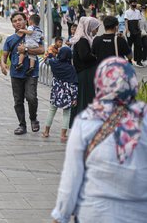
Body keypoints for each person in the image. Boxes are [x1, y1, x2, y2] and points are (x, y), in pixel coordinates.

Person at [51, 57, 147, 223]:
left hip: (93, 213)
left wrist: (61, 215)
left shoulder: (85, 122)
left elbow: (72, 177)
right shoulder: (143, 119)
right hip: (137, 214)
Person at [0, 12, 45, 135]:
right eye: (15, 21)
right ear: (12, 24)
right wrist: (3, 64)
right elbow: (4, 56)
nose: (18, 22)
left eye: (20, 20)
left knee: (31, 97)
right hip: (16, 73)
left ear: (26, 21)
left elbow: (42, 50)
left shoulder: (34, 34)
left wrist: (25, 49)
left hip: (31, 72)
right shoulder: (10, 39)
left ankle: (33, 119)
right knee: (18, 100)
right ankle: (22, 125)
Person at [69, 17, 100, 128]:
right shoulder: (82, 40)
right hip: (85, 73)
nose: (97, 30)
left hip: (84, 72)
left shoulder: (83, 39)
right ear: (89, 27)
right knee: (84, 99)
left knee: (84, 98)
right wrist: (96, 56)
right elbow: (85, 56)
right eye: (96, 28)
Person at [42, 46, 78, 142]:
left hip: (55, 93)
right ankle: (63, 135)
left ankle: (46, 131)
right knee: (66, 114)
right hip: (67, 95)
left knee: (51, 111)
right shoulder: (71, 69)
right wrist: (74, 97)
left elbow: (46, 61)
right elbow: (73, 85)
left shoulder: (54, 63)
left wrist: (50, 55)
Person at [125, 0, 145, 67]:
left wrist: (140, 30)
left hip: (137, 30)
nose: (134, 4)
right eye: (133, 3)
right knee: (129, 46)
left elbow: (139, 22)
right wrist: (127, 30)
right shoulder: (127, 12)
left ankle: (138, 61)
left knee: (139, 46)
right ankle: (129, 60)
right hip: (130, 29)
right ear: (130, 4)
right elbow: (126, 21)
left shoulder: (138, 12)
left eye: (135, 3)